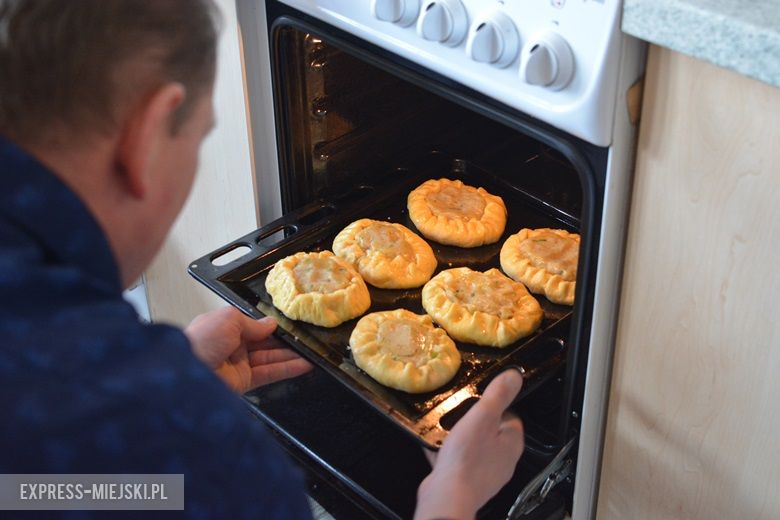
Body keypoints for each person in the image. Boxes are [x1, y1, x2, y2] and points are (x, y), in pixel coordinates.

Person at [0, 1, 525, 518]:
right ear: (145, 138)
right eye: (201, 137)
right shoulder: (206, 460)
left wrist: (168, 376)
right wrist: (450, 499)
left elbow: (32, 492)